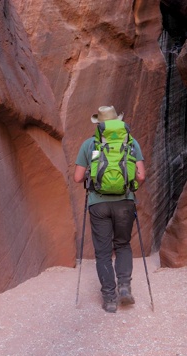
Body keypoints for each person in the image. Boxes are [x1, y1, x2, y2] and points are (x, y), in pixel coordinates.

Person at [73, 105, 146, 313]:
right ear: (117, 121)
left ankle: (109, 298)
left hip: (98, 204)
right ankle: (124, 287)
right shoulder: (131, 143)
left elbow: (78, 178)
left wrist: (91, 172)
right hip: (125, 202)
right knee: (122, 245)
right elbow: (140, 176)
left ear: (99, 124)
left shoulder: (90, 144)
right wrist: (129, 189)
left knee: (103, 252)